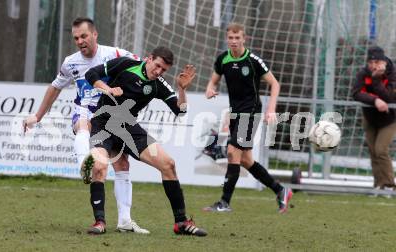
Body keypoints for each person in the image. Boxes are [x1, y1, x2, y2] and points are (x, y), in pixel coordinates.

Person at [22, 17, 149, 233]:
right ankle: (84, 166)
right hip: (85, 111)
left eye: (84, 36)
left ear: (95, 35)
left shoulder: (114, 54)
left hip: (111, 116)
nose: (80, 41)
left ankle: (125, 221)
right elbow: (55, 87)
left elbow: (142, 65)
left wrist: (149, 66)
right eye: (76, 38)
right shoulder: (70, 62)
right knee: (83, 125)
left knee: (122, 165)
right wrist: (38, 116)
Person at [83, 46, 207, 236]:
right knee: (99, 167)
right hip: (103, 122)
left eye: (163, 70)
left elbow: (180, 111)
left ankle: (181, 223)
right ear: (149, 59)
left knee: (168, 164)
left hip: (127, 127)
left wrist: (182, 90)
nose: (158, 72)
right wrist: (108, 89)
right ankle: (99, 221)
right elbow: (92, 74)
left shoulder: (159, 84)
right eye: (157, 66)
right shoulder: (126, 64)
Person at [203, 23, 292, 213]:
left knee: (232, 151)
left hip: (251, 111)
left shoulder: (253, 61)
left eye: (237, 38)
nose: (234, 41)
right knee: (245, 160)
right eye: (231, 38)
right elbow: (213, 80)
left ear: (244, 39)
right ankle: (280, 190)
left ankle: (224, 202)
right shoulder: (222, 59)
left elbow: (274, 84)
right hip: (235, 112)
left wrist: (271, 109)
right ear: (227, 39)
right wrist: (210, 89)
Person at [352, 46, 396, 193]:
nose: (373, 65)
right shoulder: (363, 73)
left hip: (390, 120)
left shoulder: (392, 74)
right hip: (370, 118)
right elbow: (356, 93)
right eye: (370, 62)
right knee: (373, 151)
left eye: (376, 61)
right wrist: (375, 100)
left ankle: (389, 185)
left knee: (380, 150)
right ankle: (379, 185)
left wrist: (377, 79)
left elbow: (390, 97)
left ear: (383, 61)